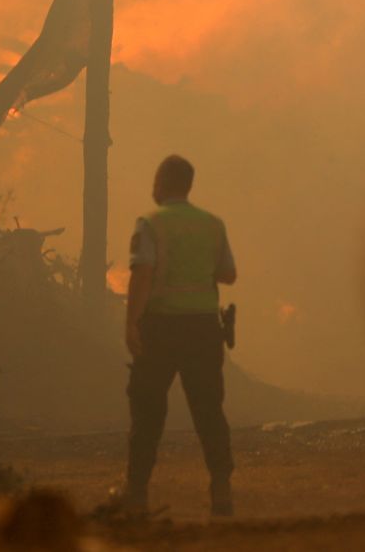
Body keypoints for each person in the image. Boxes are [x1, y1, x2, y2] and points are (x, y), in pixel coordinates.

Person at [123, 154, 237, 517]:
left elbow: (142, 275)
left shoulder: (150, 224)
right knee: (208, 410)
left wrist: (131, 323)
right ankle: (221, 487)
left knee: (147, 411)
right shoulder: (212, 225)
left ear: (160, 183)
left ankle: (137, 493)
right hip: (204, 329)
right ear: (188, 186)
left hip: (160, 329)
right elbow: (229, 274)